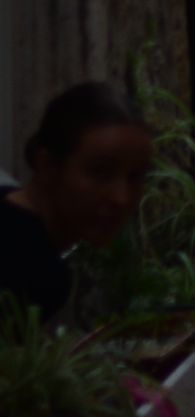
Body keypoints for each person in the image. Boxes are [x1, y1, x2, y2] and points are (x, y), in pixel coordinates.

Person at [0, 79, 152, 316]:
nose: (122, 198)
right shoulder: (36, 273)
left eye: (135, 176)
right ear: (48, 167)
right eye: (99, 172)